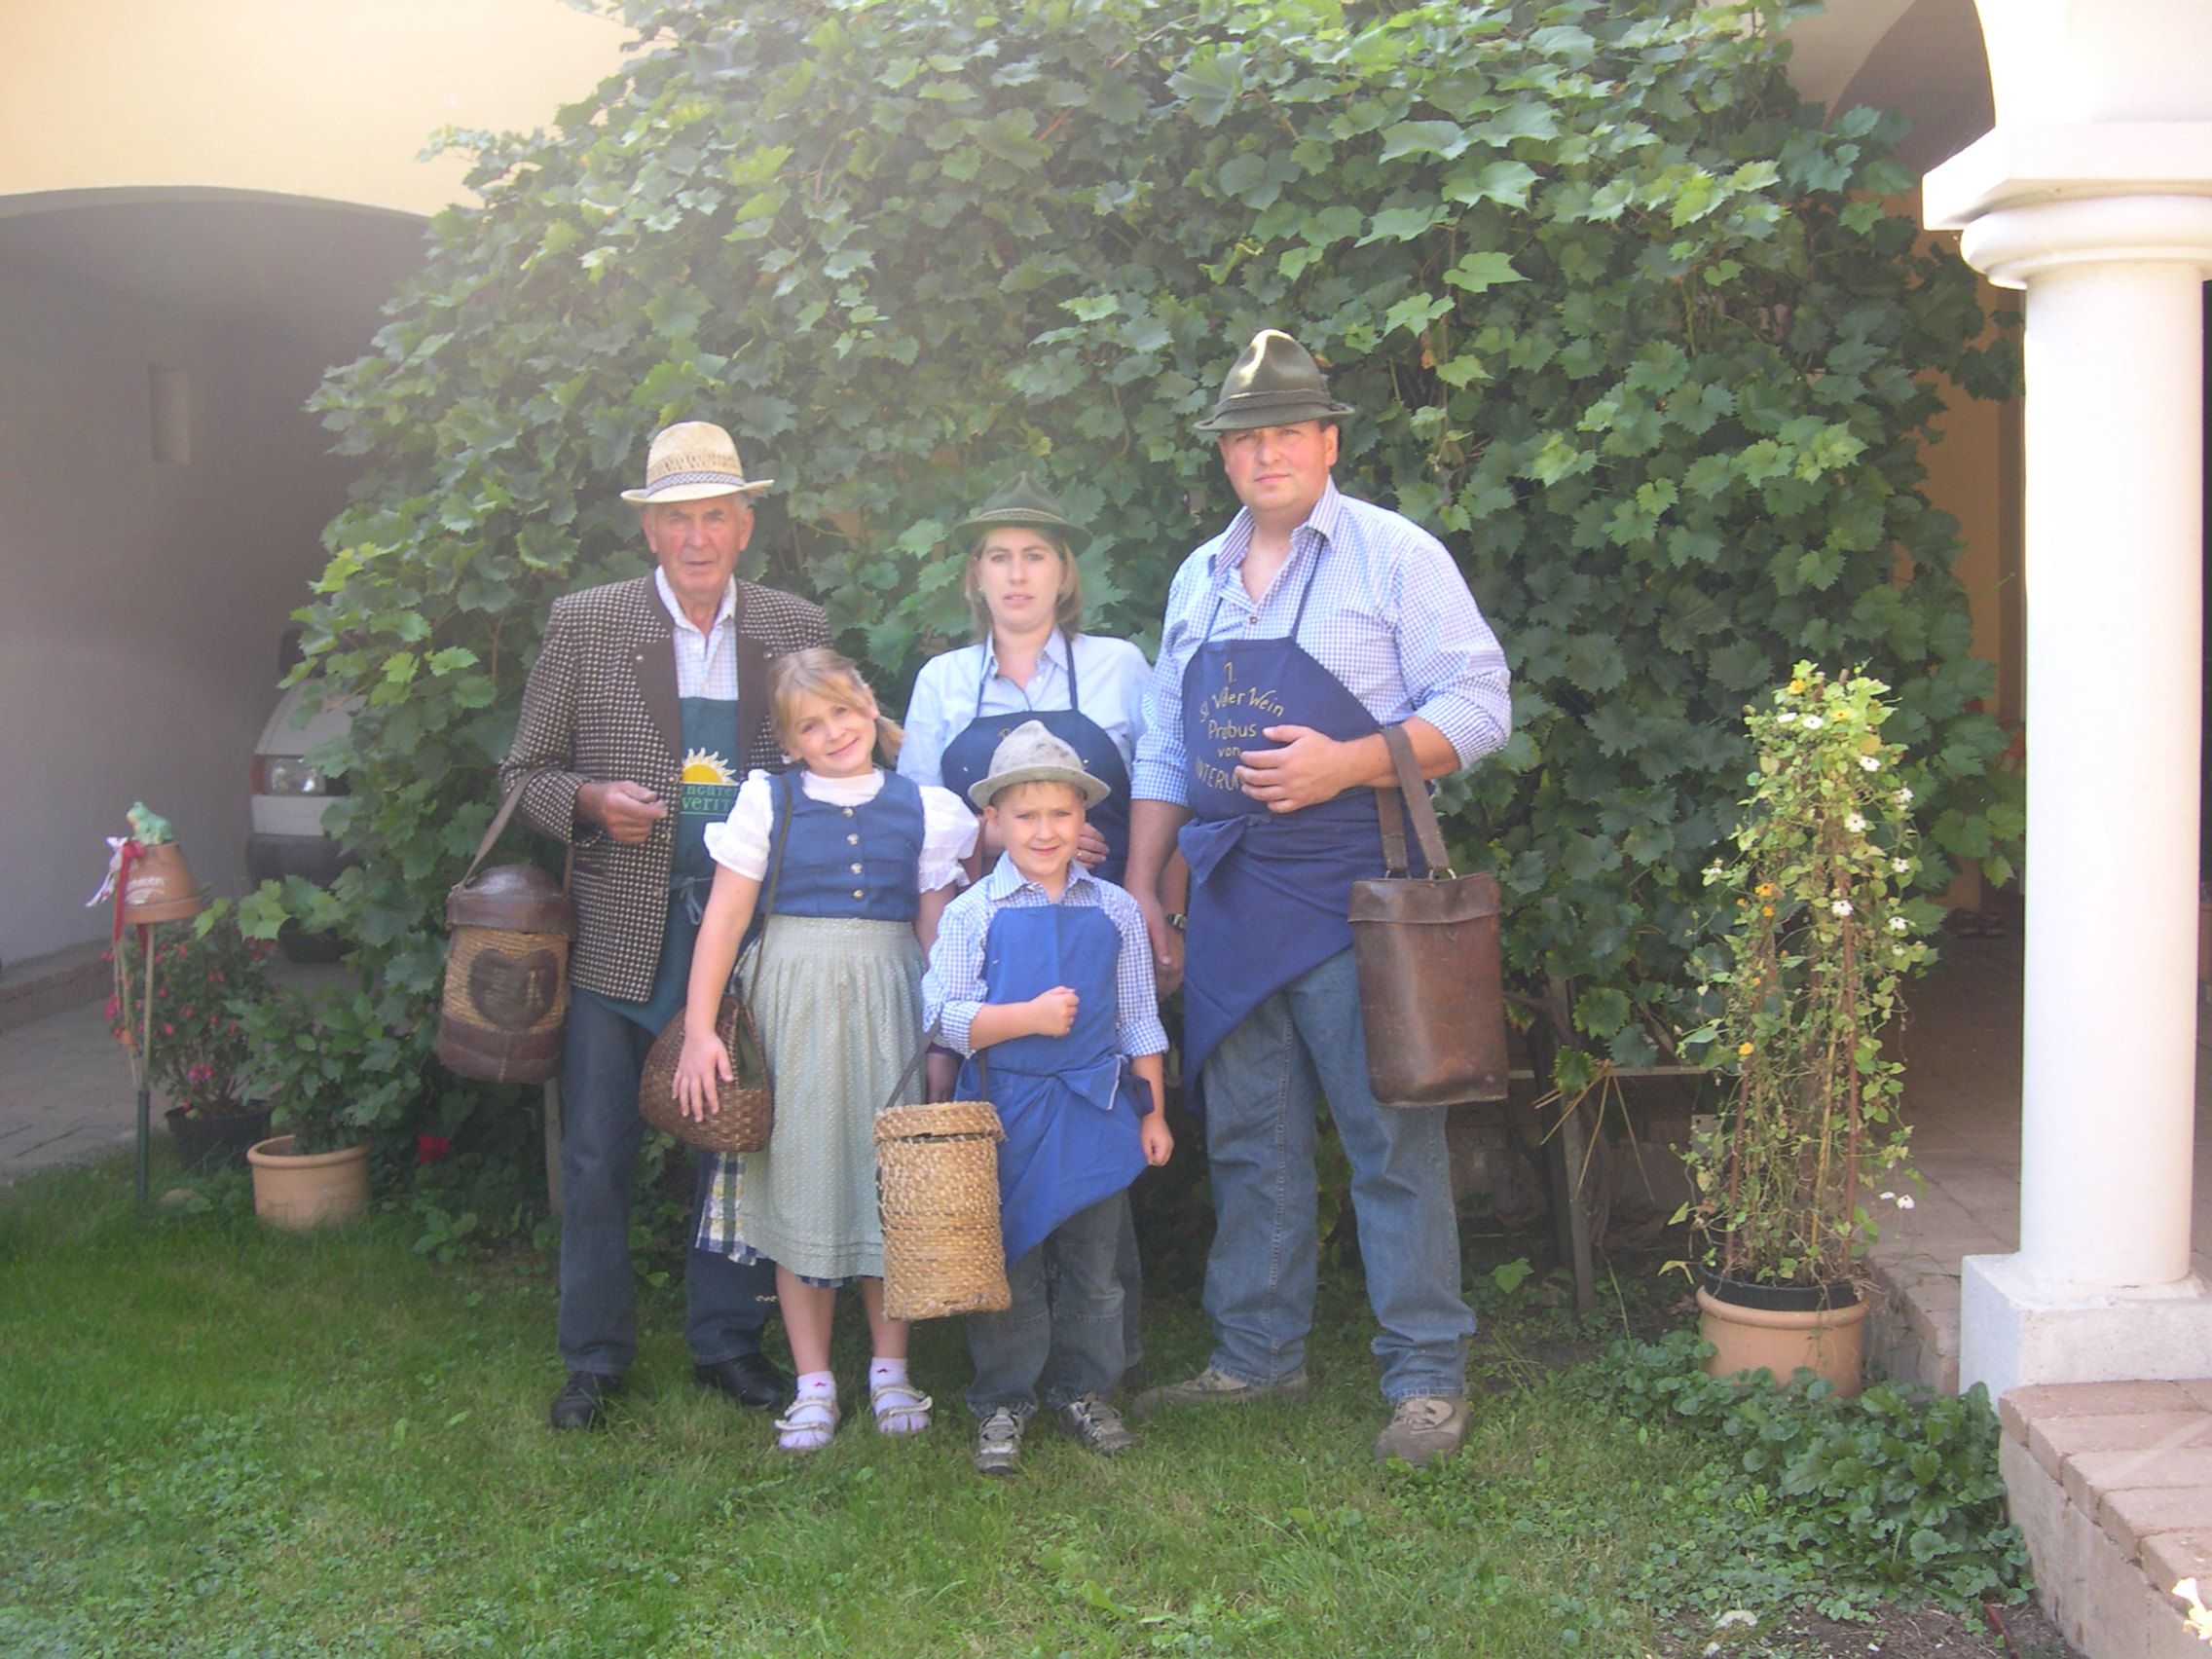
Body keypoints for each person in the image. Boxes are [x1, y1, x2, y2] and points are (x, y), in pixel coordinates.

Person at [1121, 330, 1511, 1467]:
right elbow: (1161, 745)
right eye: (1244, 437)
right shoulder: (1197, 577)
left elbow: (1483, 706)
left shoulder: (1394, 556)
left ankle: (1428, 1377)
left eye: (1284, 431)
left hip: (1361, 893)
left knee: (1392, 1141)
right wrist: (1147, 885)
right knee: (1251, 1142)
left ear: (1327, 440)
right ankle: (1255, 1355)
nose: (1264, 454)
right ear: (1226, 458)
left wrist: (1345, 762)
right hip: (1232, 892)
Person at [501, 420, 828, 1432]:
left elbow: (832, 760)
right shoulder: (588, 623)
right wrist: (592, 803)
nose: (697, 537)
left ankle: (726, 1342)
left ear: (744, 524)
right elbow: (522, 776)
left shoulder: (789, 623)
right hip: (617, 935)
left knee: (729, 1146)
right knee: (597, 1153)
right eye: (677, 519)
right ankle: (592, 1359)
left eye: (715, 517)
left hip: (742, 936)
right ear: (650, 531)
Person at [672, 648, 977, 1453]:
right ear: (790, 741)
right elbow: (725, 922)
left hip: (888, 999)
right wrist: (701, 1029)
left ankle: (889, 1368)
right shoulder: (768, 802)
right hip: (793, 1005)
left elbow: (935, 929)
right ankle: (813, 1380)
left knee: (891, 1178)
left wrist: (943, 1033)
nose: (835, 731)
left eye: (844, 711)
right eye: (812, 724)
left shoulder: (925, 806)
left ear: (869, 705)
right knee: (803, 1172)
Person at [898, 473, 1170, 1368]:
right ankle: (1008, 1367)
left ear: (1065, 574)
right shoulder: (943, 682)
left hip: (1100, 933)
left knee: (1103, 1119)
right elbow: (926, 830)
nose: (1018, 576)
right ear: (975, 576)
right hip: (992, 937)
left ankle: (1105, 1355)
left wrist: (1155, 906)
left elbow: (1166, 792)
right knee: (1001, 1139)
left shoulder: (1119, 666)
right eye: (1000, 558)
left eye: (1037, 557)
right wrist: (940, 929)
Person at [921, 721, 1173, 1477]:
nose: (1044, 830)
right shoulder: (975, 913)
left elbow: (1138, 1019)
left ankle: (1086, 1390)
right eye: (1025, 816)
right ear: (993, 823)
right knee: (1010, 1265)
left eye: (1061, 814)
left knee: (1098, 1267)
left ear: (1083, 821)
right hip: (1006, 1116)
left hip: (1098, 1110)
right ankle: (1004, 1398)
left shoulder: (1116, 909)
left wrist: (1152, 1110)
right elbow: (943, 1016)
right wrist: (1026, 1019)